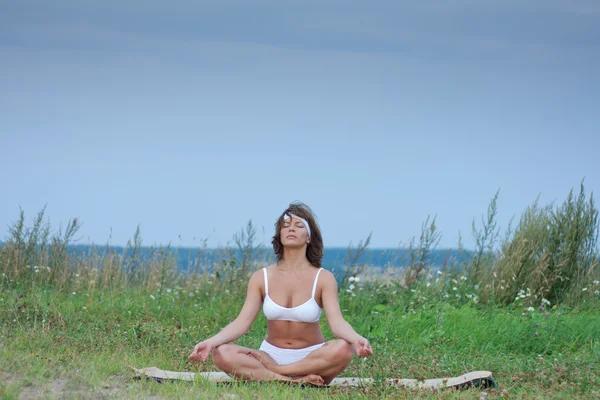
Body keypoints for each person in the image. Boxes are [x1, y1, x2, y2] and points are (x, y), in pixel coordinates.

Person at [188, 202, 373, 385]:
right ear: (280, 235)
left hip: (311, 360)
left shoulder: (323, 278)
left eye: (298, 225)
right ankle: (291, 382)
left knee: (344, 348)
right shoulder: (261, 277)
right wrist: (210, 342)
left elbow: (337, 323)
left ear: (309, 237)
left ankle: (277, 374)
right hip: (270, 355)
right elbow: (241, 322)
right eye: (285, 226)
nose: (291, 229)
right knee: (222, 353)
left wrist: (357, 339)